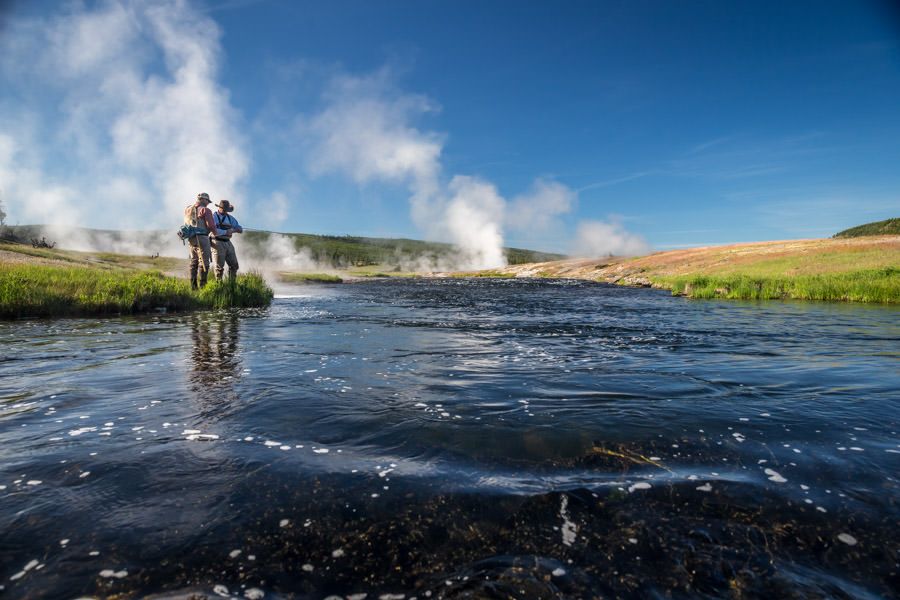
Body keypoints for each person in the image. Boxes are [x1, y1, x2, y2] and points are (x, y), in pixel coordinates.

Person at [184, 192, 217, 289]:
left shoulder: (188, 209)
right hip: (202, 237)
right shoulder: (205, 210)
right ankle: (203, 286)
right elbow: (211, 226)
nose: (208, 203)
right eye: (207, 201)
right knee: (204, 262)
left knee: (193, 261)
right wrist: (216, 234)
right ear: (203, 199)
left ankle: (193, 287)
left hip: (191, 238)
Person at [210, 199, 243, 282]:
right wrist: (226, 231)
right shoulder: (213, 217)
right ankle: (218, 285)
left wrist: (238, 229)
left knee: (234, 265)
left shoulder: (230, 218)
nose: (225, 211)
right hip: (216, 242)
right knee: (219, 267)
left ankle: (231, 284)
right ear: (219, 208)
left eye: (227, 210)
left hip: (228, 242)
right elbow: (213, 231)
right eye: (224, 210)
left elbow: (240, 228)